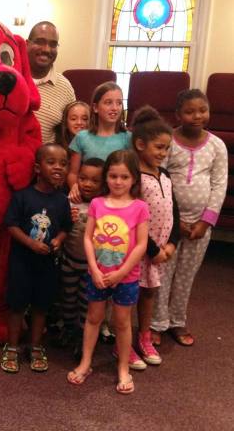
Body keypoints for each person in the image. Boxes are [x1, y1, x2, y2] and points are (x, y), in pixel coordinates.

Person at [67, 150, 149, 395]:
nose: (118, 181)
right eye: (113, 176)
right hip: (98, 275)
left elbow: (141, 245)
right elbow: (89, 237)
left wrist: (121, 272)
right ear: (106, 177)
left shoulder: (139, 207)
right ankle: (85, 362)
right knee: (94, 318)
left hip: (127, 277)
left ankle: (124, 368)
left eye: (124, 177)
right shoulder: (97, 204)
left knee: (122, 323)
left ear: (134, 178)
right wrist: (93, 267)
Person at [152, 89, 228, 347]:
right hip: (169, 223)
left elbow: (219, 184)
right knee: (162, 272)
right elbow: (159, 179)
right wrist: (176, 221)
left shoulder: (217, 145)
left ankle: (177, 321)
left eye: (202, 110)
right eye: (190, 111)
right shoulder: (168, 142)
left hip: (200, 226)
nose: (197, 116)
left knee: (186, 274)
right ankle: (157, 323)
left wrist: (205, 221)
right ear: (178, 114)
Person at [1, 144, 73, 373]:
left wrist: (59, 240)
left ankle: (35, 346)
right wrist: (31, 243)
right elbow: (11, 225)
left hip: (47, 264)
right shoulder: (22, 196)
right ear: (37, 168)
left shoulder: (62, 200)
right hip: (21, 262)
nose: (58, 168)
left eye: (63, 163)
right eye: (51, 163)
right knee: (16, 306)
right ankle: (11, 347)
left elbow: (65, 228)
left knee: (42, 306)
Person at [129, 105, 180, 366]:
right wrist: (152, 249)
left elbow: (175, 211)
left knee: (149, 294)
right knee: (128, 296)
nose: (163, 153)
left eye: (166, 148)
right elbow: (132, 219)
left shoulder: (166, 175)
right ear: (140, 144)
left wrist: (171, 244)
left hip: (159, 251)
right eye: (158, 147)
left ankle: (144, 337)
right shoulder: (133, 176)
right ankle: (123, 343)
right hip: (138, 249)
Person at [58, 157, 103, 356]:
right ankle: (68, 329)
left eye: (94, 180)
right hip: (69, 260)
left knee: (86, 303)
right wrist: (67, 220)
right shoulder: (69, 200)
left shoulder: (103, 205)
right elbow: (58, 227)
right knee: (68, 298)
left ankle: (82, 336)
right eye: (83, 178)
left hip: (91, 266)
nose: (87, 184)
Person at [68, 82, 131, 203]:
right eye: (108, 103)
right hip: (88, 201)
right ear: (96, 108)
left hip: (116, 200)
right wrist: (74, 186)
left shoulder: (128, 138)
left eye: (119, 103)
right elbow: (73, 173)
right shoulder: (82, 137)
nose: (115, 108)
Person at [27, 21, 76, 144]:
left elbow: (71, 134)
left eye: (53, 44)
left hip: (44, 161)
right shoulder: (9, 77)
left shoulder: (65, 87)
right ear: (26, 44)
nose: (46, 49)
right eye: (40, 42)